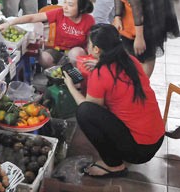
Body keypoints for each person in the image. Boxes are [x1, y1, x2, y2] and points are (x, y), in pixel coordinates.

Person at [63, 24, 164, 178]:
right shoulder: (131, 61)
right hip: (156, 139)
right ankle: (120, 154)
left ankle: (114, 165)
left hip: (139, 151)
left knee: (84, 113)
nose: (87, 47)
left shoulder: (100, 74)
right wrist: (100, 66)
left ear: (96, 49)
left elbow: (88, 108)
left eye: (88, 44)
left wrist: (70, 86)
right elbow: (116, 80)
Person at [0, 0, 95, 68]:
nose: (65, 7)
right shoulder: (59, 13)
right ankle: (58, 76)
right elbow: (33, 17)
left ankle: (73, 77)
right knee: (43, 58)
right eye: (64, 2)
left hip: (75, 52)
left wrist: (92, 59)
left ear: (81, 8)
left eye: (70, 5)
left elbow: (91, 43)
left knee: (76, 53)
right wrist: (9, 23)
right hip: (57, 50)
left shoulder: (89, 20)